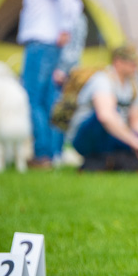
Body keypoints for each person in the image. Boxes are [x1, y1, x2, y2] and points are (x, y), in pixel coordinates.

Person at [12, 0, 83, 169]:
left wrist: (65, 28)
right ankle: (52, 152)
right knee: (48, 99)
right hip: (47, 45)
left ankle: (42, 154)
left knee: (33, 98)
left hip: (41, 44)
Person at [66, 44, 138, 171]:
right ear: (118, 61)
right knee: (111, 115)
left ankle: (106, 162)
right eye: (132, 63)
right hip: (86, 136)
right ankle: (99, 159)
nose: (136, 66)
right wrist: (133, 141)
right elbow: (105, 117)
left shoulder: (134, 83)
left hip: (113, 134)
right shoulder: (102, 80)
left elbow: (136, 120)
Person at [51, 11, 87, 165]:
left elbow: (73, 48)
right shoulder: (78, 16)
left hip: (63, 72)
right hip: (67, 70)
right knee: (60, 113)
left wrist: (62, 69)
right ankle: (57, 152)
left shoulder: (74, 17)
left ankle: (57, 153)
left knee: (58, 113)